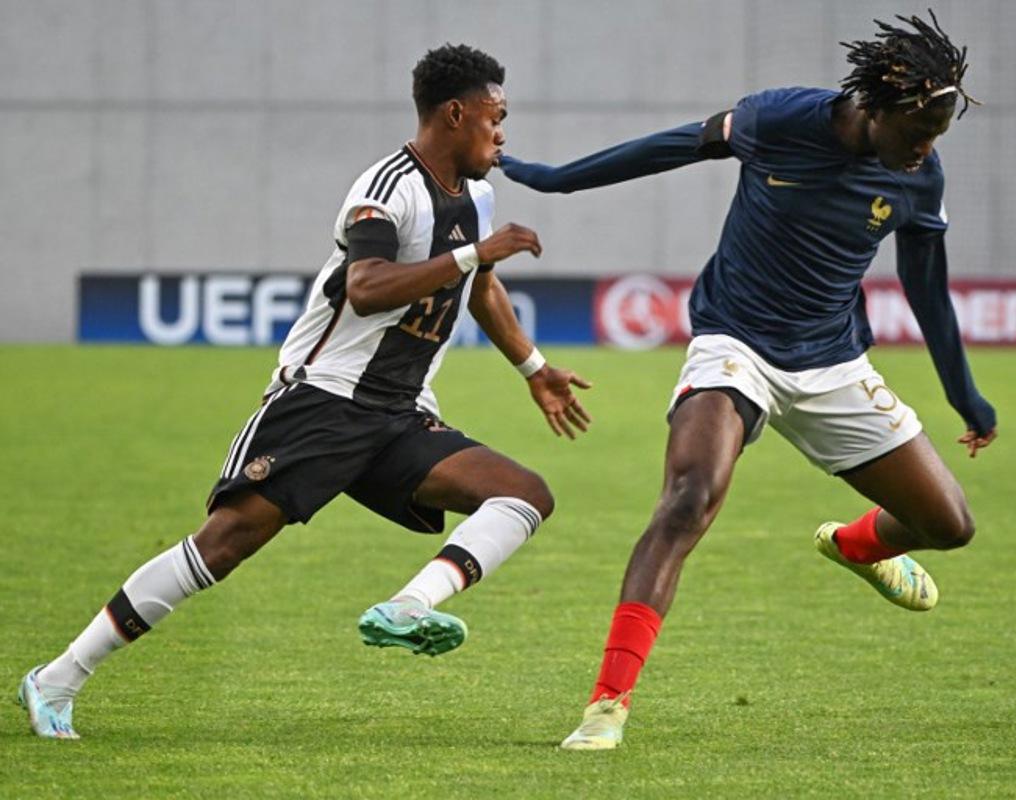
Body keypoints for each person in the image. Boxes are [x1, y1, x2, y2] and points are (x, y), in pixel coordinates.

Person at [19, 43, 592, 740]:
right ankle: (56, 679)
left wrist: (535, 369)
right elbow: (367, 285)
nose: (502, 134)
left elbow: (480, 290)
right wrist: (475, 254)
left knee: (524, 492)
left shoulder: (477, 197)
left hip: (399, 417)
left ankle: (409, 607)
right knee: (221, 547)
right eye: (495, 118)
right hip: (321, 403)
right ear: (454, 113)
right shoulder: (383, 189)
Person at [499, 11, 997, 750]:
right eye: (918, 133)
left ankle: (856, 548)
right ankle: (607, 704)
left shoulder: (919, 176)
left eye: (936, 138)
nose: (924, 151)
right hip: (735, 344)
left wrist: (964, 393)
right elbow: (670, 148)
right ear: (879, 108)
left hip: (833, 362)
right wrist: (558, 181)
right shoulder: (779, 119)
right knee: (689, 497)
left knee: (949, 526)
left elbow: (928, 288)